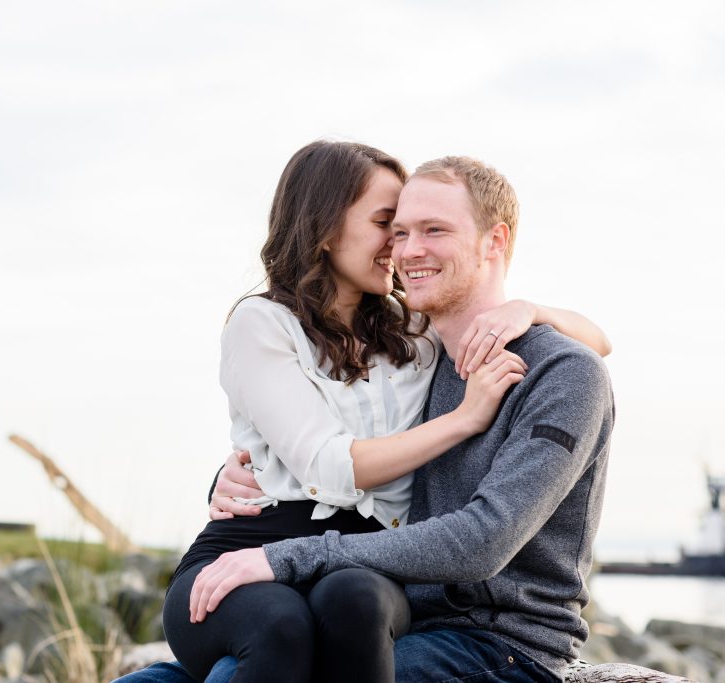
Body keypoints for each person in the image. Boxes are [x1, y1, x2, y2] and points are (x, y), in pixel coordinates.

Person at [115, 144, 610, 682]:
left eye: (433, 231)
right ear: (326, 231)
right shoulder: (426, 348)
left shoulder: (540, 368)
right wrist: (242, 471)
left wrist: (531, 309)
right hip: (397, 613)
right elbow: (323, 442)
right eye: (396, 230)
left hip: (499, 642)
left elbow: (482, 540)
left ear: (496, 241)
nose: (405, 249)